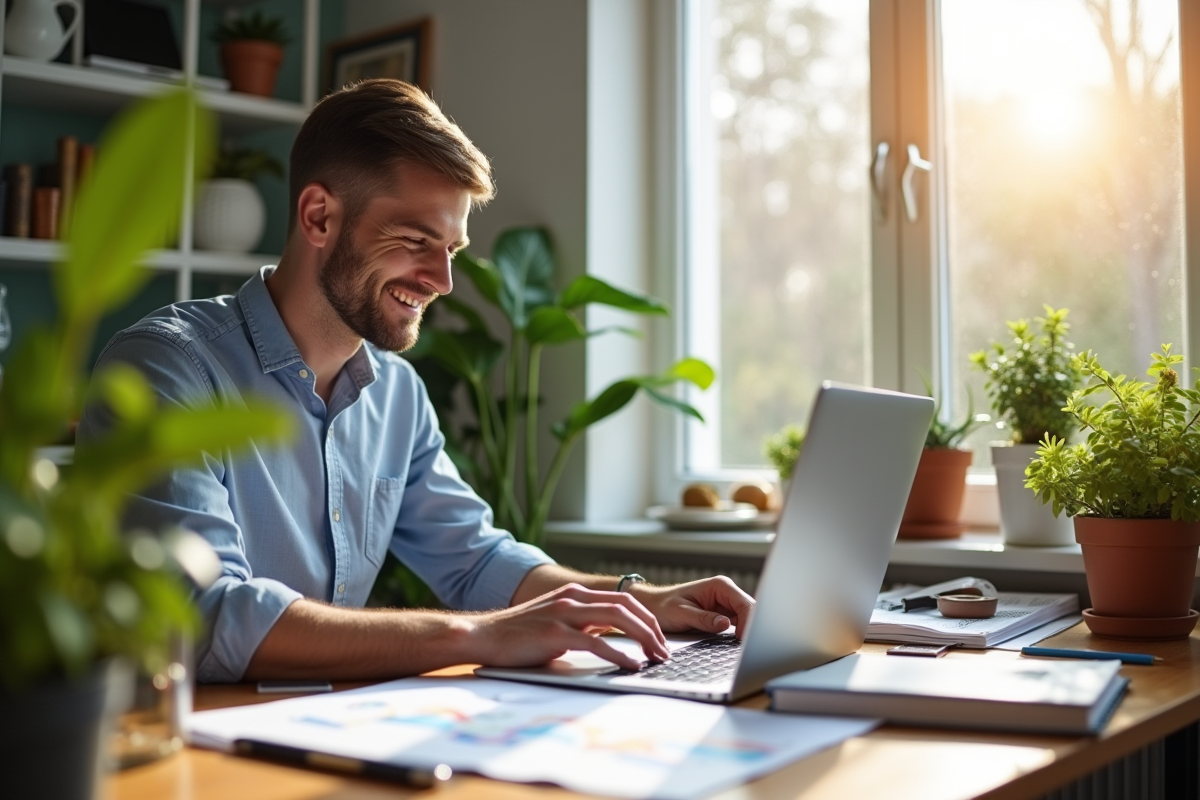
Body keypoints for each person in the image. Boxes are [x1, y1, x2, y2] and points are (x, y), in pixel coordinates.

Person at [78, 79, 754, 684]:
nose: (442, 281)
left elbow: (476, 560)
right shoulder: (166, 368)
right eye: (413, 240)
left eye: (451, 250)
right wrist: (475, 635)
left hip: (314, 733)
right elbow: (201, 615)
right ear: (319, 217)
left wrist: (639, 600)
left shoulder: (396, 396)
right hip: (168, 748)